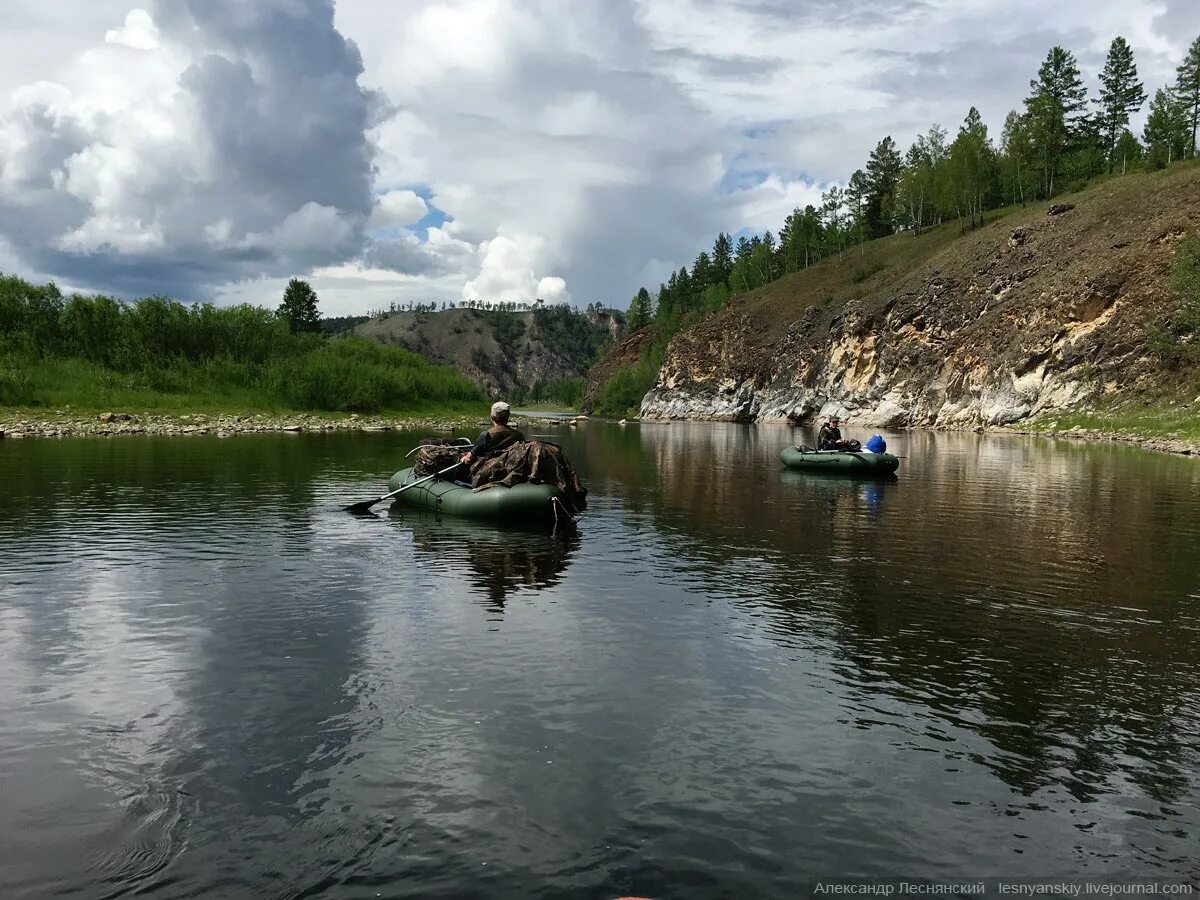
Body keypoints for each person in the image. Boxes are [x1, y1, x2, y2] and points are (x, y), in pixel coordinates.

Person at [461, 401, 526, 467]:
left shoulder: (486, 435)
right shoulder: (520, 436)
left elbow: (468, 459)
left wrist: (465, 458)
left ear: (492, 417)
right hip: (511, 471)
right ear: (507, 417)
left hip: (488, 473)